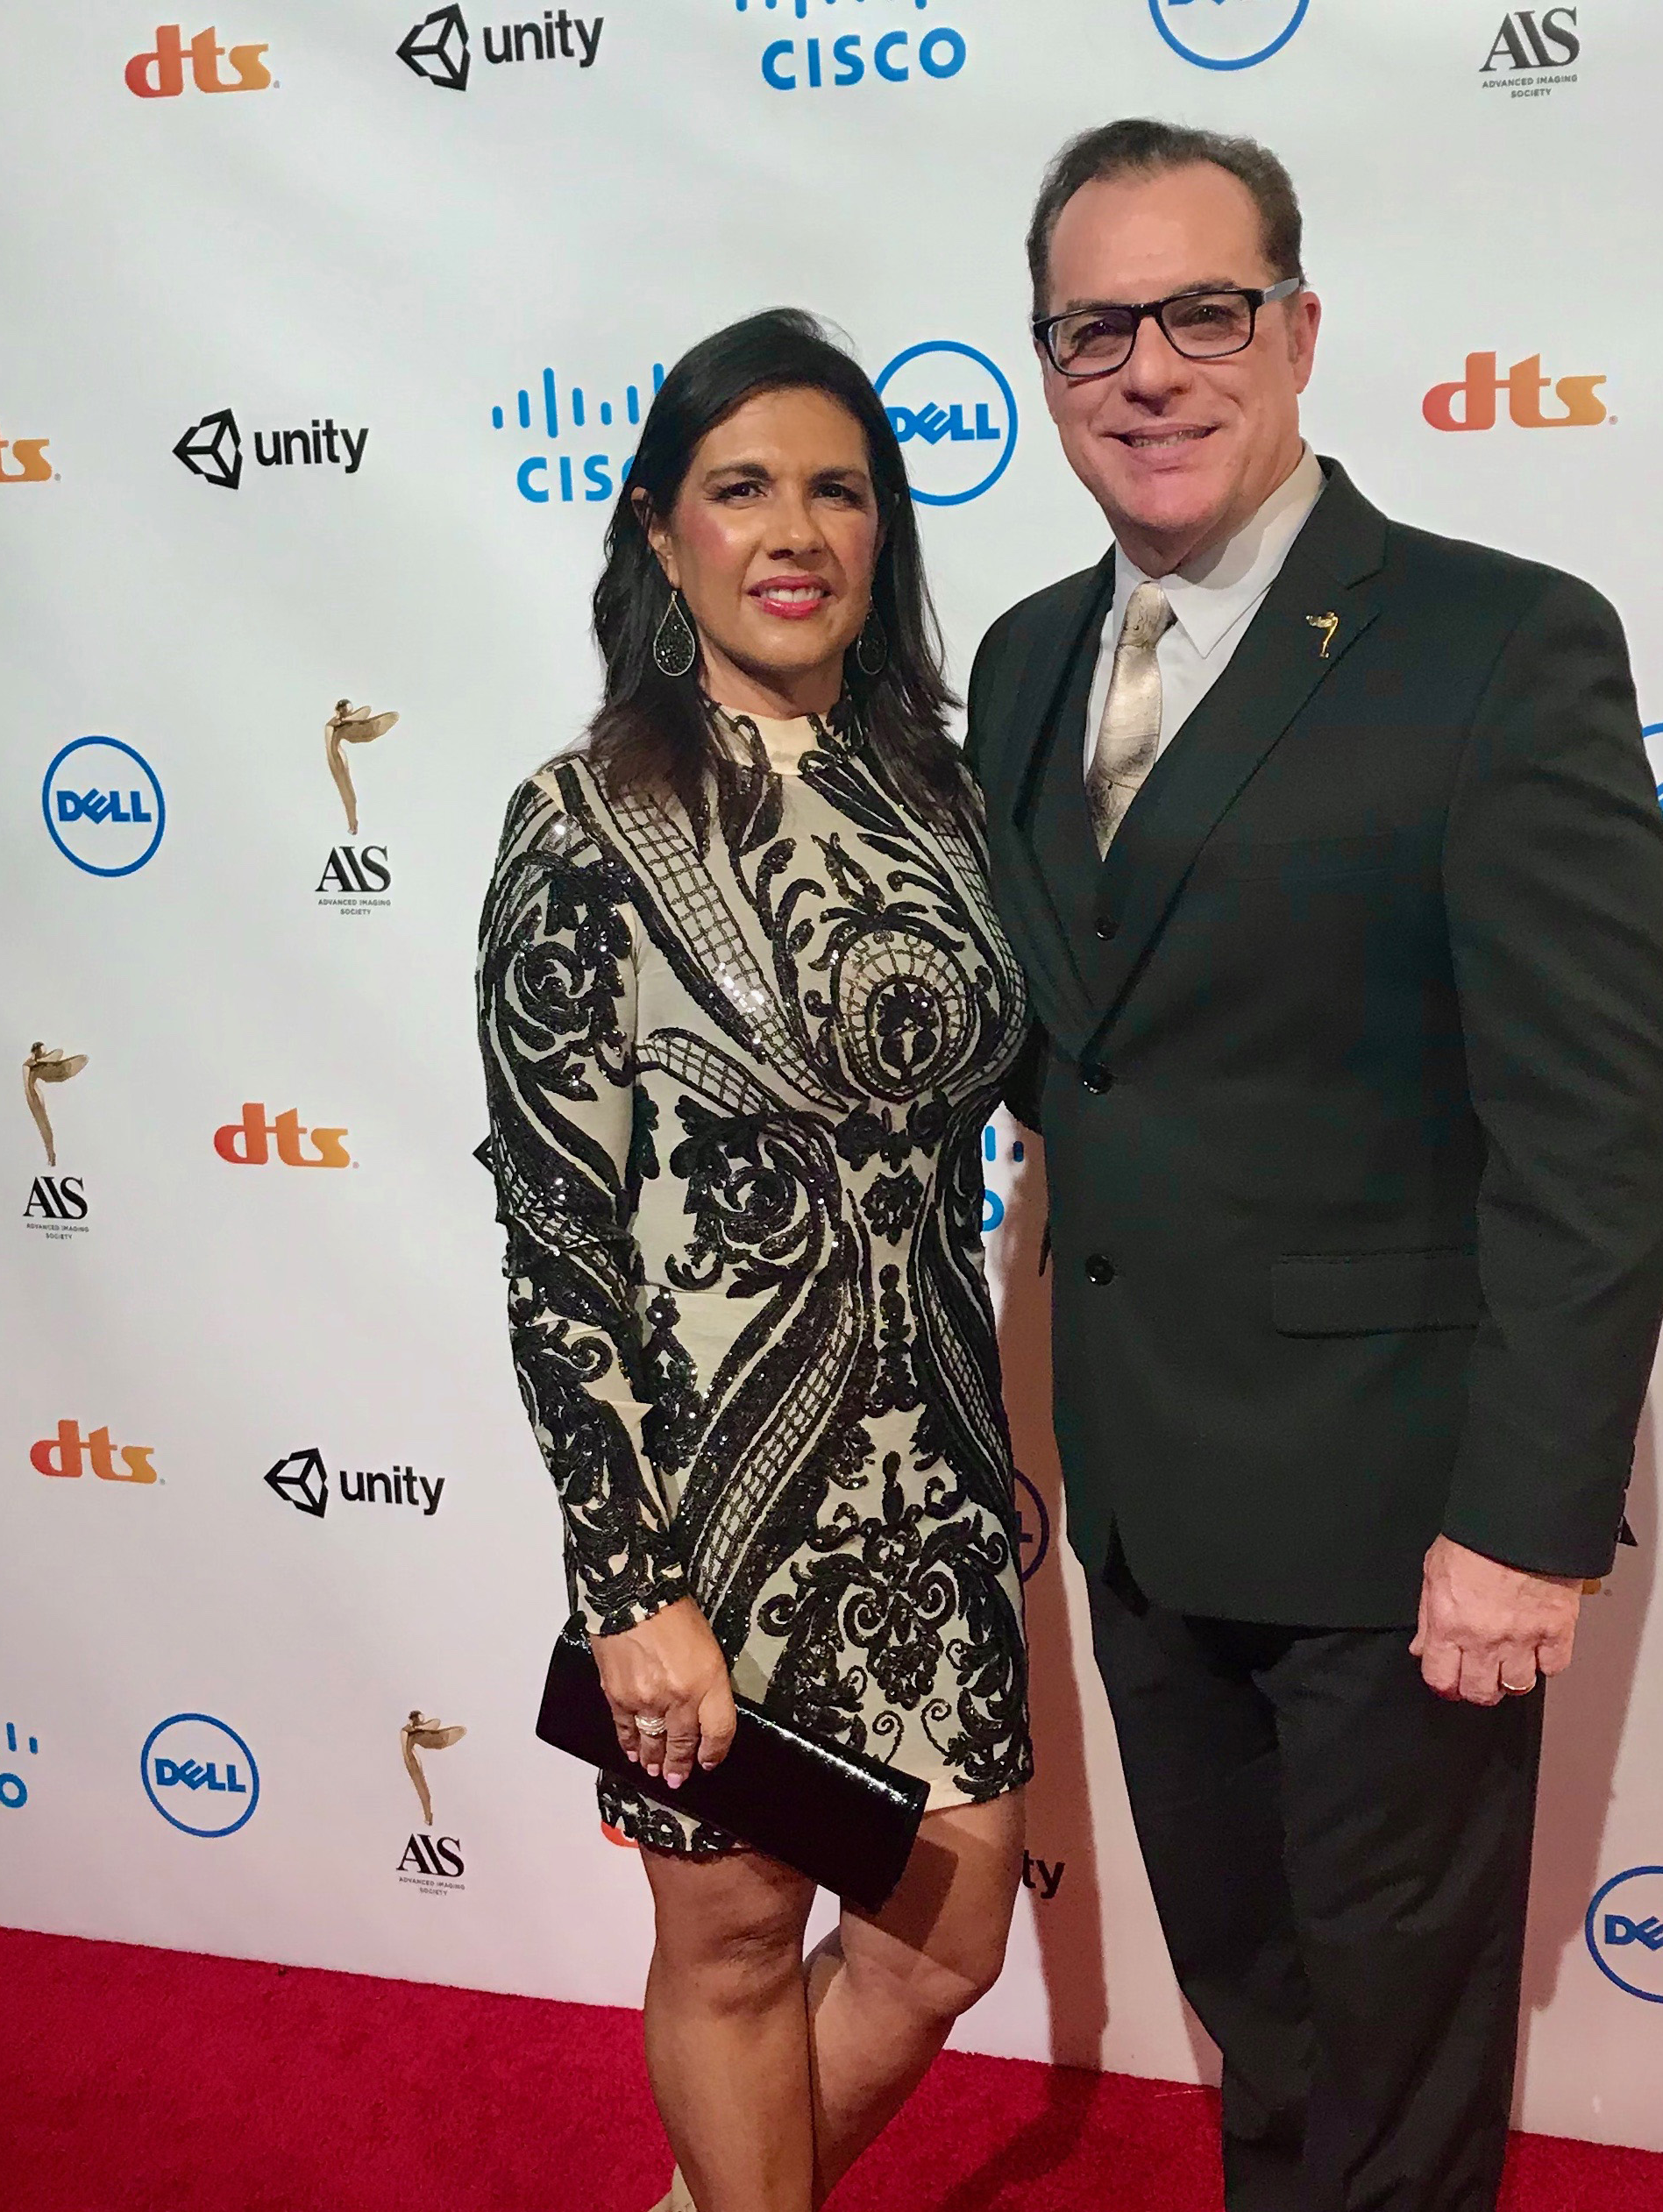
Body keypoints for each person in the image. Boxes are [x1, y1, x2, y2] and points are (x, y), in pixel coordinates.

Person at [965, 122, 1663, 2209]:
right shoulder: (1020, 659)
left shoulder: (1495, 646)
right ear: (1042, 362)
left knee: (1394, 2070)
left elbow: (1597, 1125)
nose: (1148, 368)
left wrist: (1524, 1526)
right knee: (1259, 2028)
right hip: (1140, 1503)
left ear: (1295, 332)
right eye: (1094, 326)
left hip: (1401, 1535)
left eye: (1202, 312)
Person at [477, 309, 1032, 2212]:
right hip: (716, 1497)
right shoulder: (583, 822)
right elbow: (557, 1236)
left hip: (938, 1485)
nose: (792, 529)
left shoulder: (950, 801)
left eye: (836, 488)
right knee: (726, 1945)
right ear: (659, 532)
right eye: (740, 487)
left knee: (946, 1939)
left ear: (881, 535)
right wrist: (631, 1589)